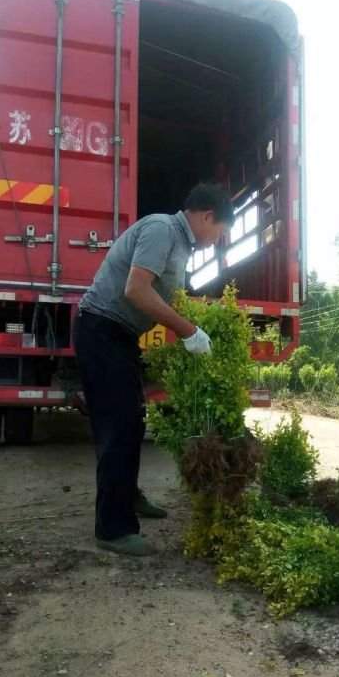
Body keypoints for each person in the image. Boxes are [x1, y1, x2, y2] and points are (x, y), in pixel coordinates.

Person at [74, 183, 235, 556]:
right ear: (207, 216)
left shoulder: (180, 245)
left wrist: (202, 319)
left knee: (131, 421)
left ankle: (127, 496)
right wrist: (188, 330)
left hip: (120, 335)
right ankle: (113, 529)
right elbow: (136, 290)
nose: (217, 241)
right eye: (220, 232)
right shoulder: (163, 229)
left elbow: (167, 297)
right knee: (120, 426)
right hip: (102, 329)